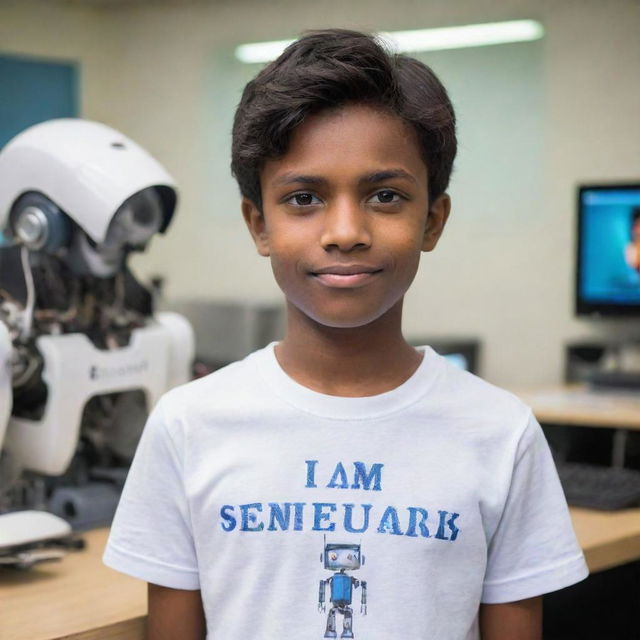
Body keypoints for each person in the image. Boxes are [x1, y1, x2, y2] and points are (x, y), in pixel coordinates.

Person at [103, 28, 588, 640]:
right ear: (259, 225)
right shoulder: (188, 426)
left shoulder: (500, 435)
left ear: (432, 220)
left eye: (385, 196)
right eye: (303, 198)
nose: (345, 231)